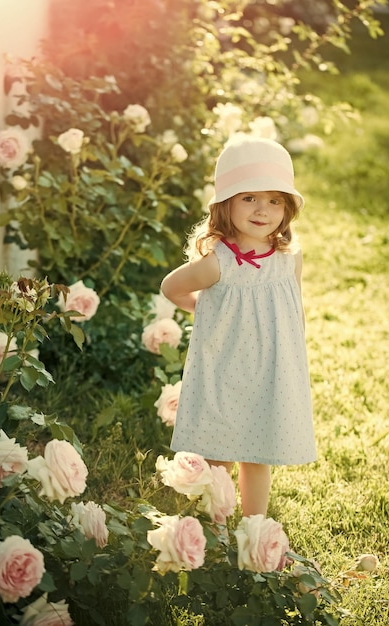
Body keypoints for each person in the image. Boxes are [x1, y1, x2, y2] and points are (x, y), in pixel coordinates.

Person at [161, 135, 317, 518]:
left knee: (258, 451)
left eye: (274, 200)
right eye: (249, 197)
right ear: (225, 204)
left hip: (270, 370)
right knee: (220, 452)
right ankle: (216, 525)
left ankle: (255, 526)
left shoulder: (288, 260)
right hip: (225, 367)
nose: (262, 209)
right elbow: (171, 287)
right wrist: (205, 312)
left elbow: (293, 311)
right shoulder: (218, 263)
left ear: (286, 209)